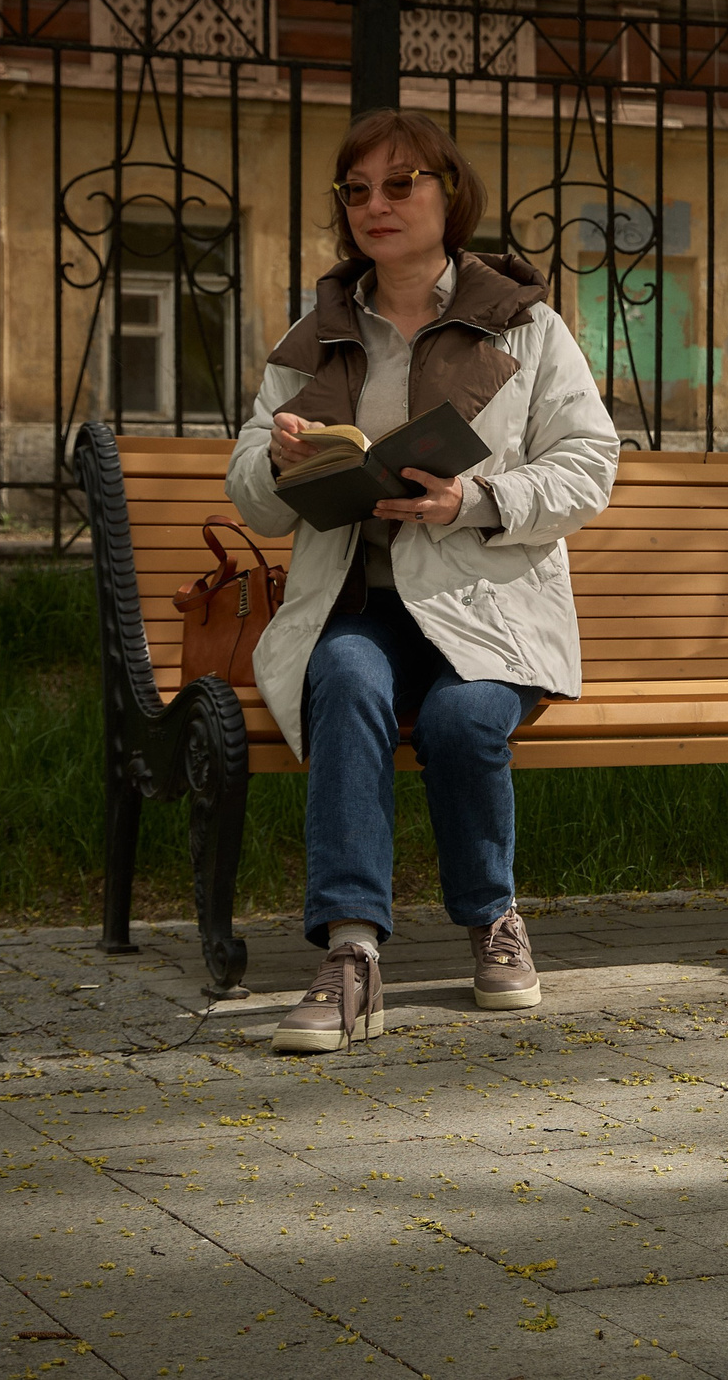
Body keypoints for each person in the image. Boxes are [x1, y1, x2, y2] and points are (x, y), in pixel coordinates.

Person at [224, 110, 619, 1053]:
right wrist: (280, 461)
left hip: (488, 604)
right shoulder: (313, 336)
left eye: (401, 184)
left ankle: (492, 917)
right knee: (347, 681)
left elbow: (589, 464)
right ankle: (351, 952)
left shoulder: (526, 326)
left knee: (461, 716)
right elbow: (253, 490)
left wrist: (473, 498)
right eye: (356, 190)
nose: (376, 205)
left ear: (450, 195)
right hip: (357, 601)